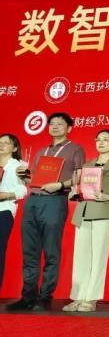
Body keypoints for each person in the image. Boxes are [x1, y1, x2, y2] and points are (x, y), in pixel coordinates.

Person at [7, 112, 85, 312]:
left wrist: (60, 184)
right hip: (33, 201)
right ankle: (28, 296)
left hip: (54, 201)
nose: (54, 126)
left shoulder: (75, 149)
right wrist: (24, 176)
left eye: (60, 124)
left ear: (69, 128)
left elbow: (80, 176)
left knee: (51, 251)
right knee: (30, 251)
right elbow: (32, 179)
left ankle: (45, 297)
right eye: (51, 124)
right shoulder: (42, 151)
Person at [63, 129, 109, 313]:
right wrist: (75, 193)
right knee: (80, 256)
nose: (101, 142)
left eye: (106, 140)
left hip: (104, 210)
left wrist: (108, 197)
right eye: (98, 139)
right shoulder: (88, 164)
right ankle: (78, 297)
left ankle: (91, 298)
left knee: (99, 257)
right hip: (84, 210)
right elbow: (81, 187)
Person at [0, 134, 28, 291]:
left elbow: (23, 190)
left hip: (3, 211)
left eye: (6, 143)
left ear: (15, 148)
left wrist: (6, 195)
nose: (1, 145)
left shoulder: (18, 166)